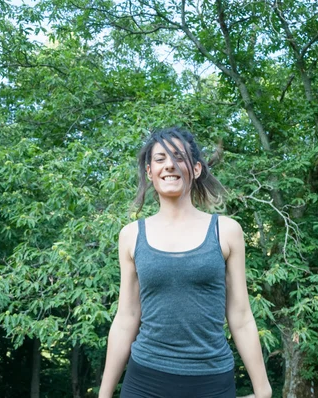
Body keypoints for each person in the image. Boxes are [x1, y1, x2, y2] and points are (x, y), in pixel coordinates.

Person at [98, 127, 272, 398]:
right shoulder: (131, 235)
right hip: (145, 381)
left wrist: (263, 391)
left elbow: (240, 316)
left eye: (179, 157)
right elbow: (126, 318)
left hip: (211, 382)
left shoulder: (226, 231)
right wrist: (104, 395)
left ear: (197, 169)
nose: (169, 165)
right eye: (160, 159)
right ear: (149, 171)